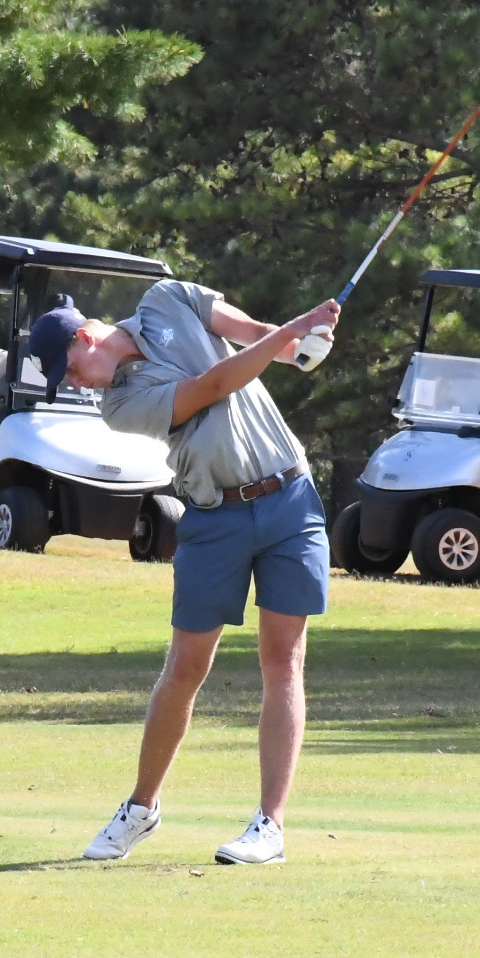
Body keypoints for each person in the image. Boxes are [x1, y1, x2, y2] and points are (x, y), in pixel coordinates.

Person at [25, 282, 339, 866]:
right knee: (188, 664)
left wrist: (298, 347)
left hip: (290, 498)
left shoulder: (167, 298)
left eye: (68, 369)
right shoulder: (117, 406)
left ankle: (269, 825)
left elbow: (244, 332)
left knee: (284, 657)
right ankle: (142, 808)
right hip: (214, 515)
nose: (74, 383)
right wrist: (295, 328)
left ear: (87, 336)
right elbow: (212, 387)